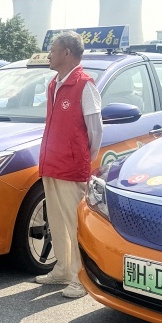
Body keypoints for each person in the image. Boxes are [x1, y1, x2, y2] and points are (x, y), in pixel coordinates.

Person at [35, 31, 103, 299]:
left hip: (71, 166)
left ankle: (80, 277)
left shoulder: (84, 85)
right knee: (56, 221)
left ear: (67, 53)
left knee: (75, 224)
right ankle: (63, 269)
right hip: (51, 163)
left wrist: (80, 157)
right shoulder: (54, 84)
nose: (49, 55)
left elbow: (95, 131)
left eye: (53, 50)